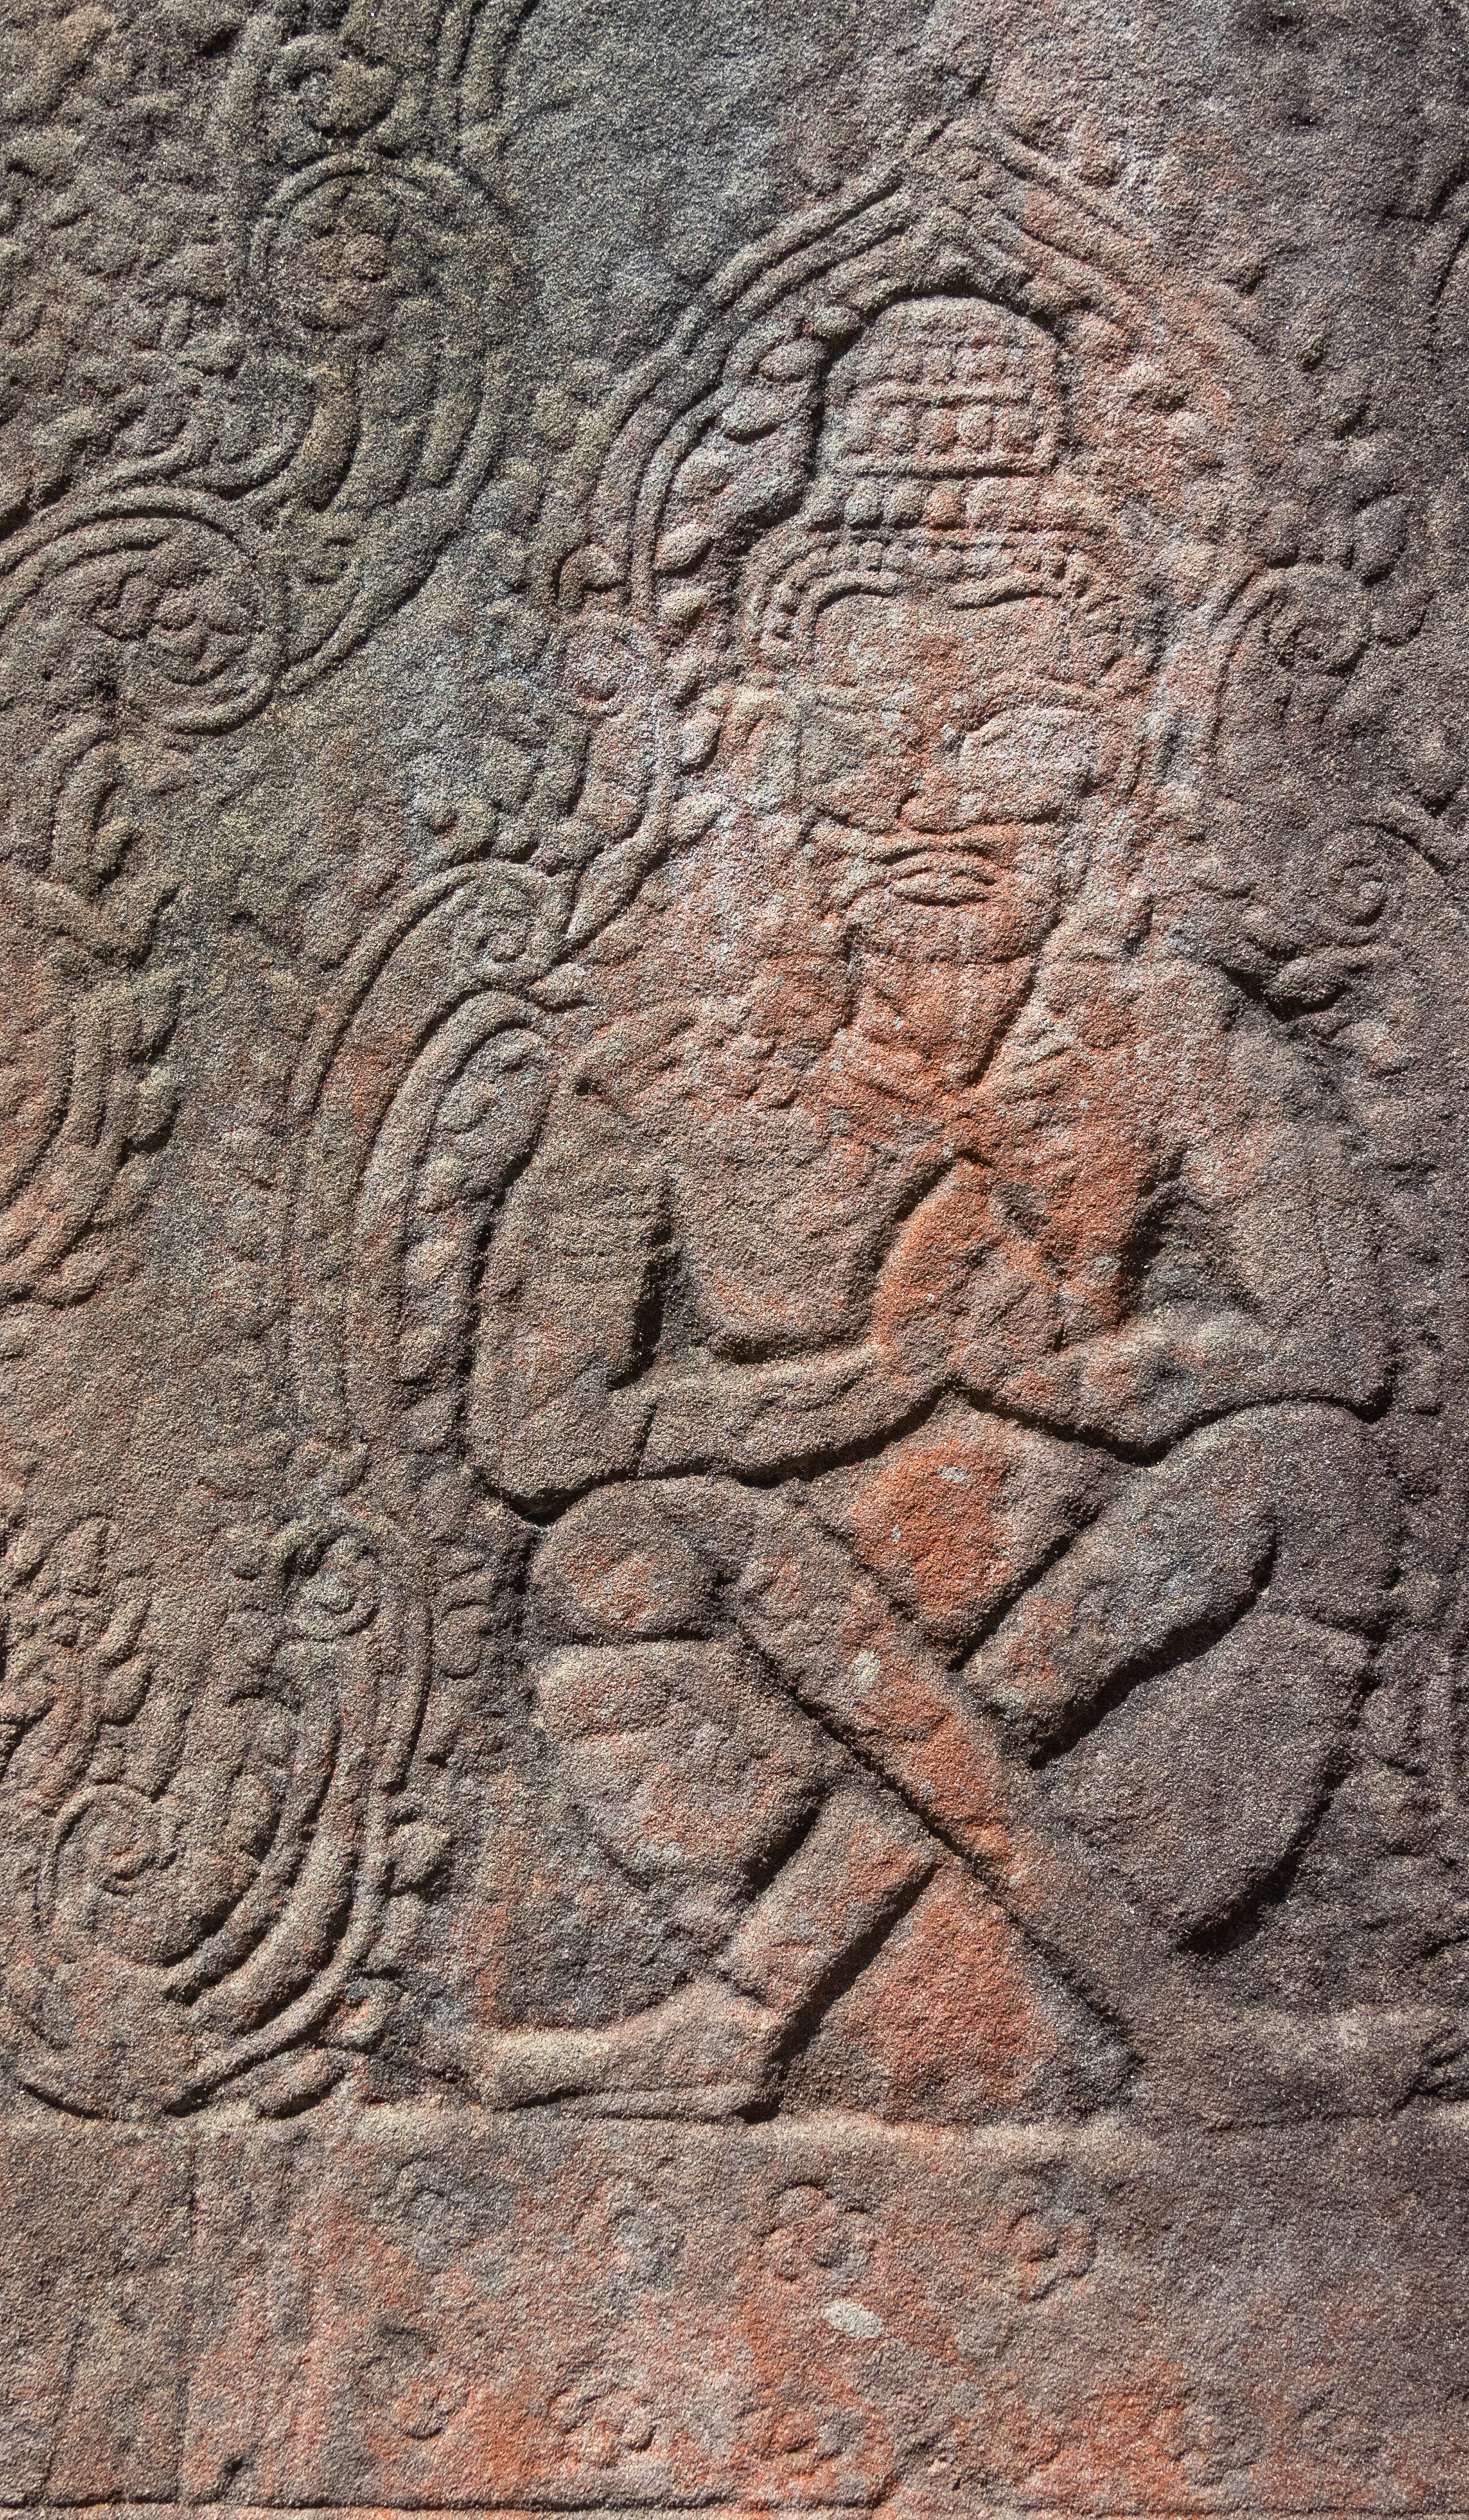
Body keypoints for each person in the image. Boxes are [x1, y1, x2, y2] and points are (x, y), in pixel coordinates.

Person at [464, 297, 1411, 2118]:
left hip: (1132, 1699)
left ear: (1116, 756)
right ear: (770, 754)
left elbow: (1337, 1350)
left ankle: (747, 2009)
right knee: (632, 1546)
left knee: (1316, 1481)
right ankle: (1168, 2020)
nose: (937, 801)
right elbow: (534, 1433)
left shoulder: (1170, 1034)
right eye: (877, 738)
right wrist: (857, 1394)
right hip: (749, 1715)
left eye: (1008, 735)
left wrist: (1075, 1387)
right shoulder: (671, 1066)